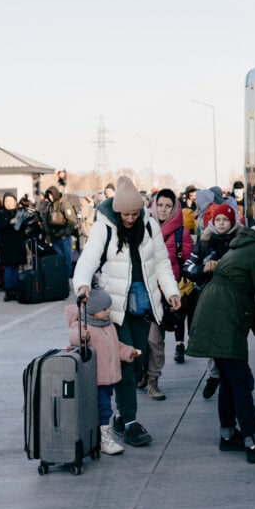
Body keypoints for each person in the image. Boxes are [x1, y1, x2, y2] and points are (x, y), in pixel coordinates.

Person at [73, 175, 181, 448]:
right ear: (117, 211)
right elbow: (88, 258)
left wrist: (171, 292)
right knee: (125, 361)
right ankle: (128, 420)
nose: (131, 219)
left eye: (135, 213)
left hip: (143, 304)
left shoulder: (150, 224)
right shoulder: (103, 226)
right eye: (126, 214)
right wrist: (82, 284)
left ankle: (122, 416)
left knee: (137, 359)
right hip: (116, 306)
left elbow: (161, 264)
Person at [186, 207, 255, 464]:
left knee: (229, 379)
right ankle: (252, 441)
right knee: (241, 381)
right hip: (224, 316)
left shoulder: (245, 246)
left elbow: (248, 297)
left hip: (215, 309)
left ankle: (228, 434)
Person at [66, 288, 138, 456]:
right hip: (95, 379)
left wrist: (129, 352)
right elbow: (74, 337)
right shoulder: (84, 325)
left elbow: (116, 346)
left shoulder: (108, 325)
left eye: (109, 308)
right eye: (104, 309)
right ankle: (105, 439)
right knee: (104, 408)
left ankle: (99, 437)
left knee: (103, 407)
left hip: (108, 378)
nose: (108, 312)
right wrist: (81, 336)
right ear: (92, 310)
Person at [183, 202, 240, 392]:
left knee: (229, 340)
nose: (222, 223)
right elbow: (188, 268)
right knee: (211, 340)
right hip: (207, 298)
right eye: (218, 220)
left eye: (225, 220)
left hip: (232, 300)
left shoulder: (240, 242)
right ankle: (214, 375)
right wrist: (203, 269)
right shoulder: (204, 241)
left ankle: (227, 376)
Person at [143, 189, 193, 399]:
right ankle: (142, 372)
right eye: (160, 205)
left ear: (174, 208)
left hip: (164, 294)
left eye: (167, 206)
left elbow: (187, 262)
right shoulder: (142, 228)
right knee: (138, 339)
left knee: (155, 340)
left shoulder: (182, 233)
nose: (163, 210)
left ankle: (153, 379)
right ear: (153, 205)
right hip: (141, 291)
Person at [0, 193, 26, 302]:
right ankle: (8, 291)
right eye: (6, 201)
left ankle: (16, 290)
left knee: (16, 268)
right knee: (9, 268)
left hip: (18, 244)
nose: (8, 203)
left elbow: (23, 228)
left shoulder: (19, 212)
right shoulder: (0, 213)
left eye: (11, 200)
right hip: (6, 245)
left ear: (15, 201)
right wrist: (9, 222)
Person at [43, 185, 77, 261]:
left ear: (55, 194)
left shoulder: (64, 204)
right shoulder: (50, 206)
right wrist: (48, 235)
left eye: (51, 195)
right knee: (59, 259)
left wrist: (65, 234)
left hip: (63, 237)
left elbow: (72, 220)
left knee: (67, 259)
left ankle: (68, 273)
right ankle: (62, 272)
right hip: (54, 237)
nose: (50, 197)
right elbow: (47, 222)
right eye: (48, 196)